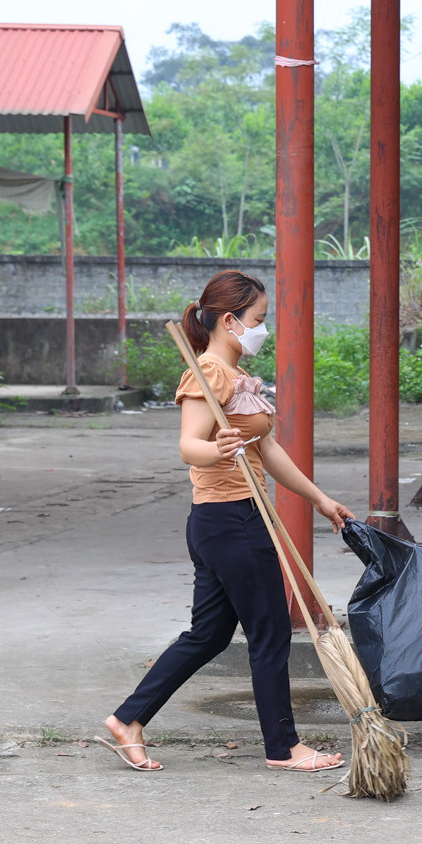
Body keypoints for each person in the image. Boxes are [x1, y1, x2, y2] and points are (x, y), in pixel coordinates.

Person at [99, 269, 355, 771]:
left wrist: (319, 499)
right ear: (231, 320)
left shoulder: (238, 379)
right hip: (231, 521)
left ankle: (128, 720)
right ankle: (284, 748)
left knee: (210, 634)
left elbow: (269, 451)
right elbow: (188, 446)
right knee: (270, 631)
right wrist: (215, 450)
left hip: (227, 521)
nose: (265, 328)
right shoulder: (209, 373)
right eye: (259, 319)